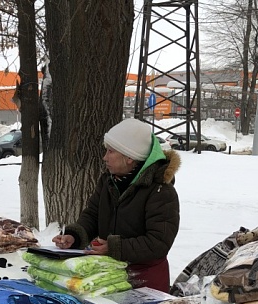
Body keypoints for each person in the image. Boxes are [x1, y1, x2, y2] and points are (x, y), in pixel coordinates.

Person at [53, 118, 180, 292]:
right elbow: (92, 215)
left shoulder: (160, 191)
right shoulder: (108, 181)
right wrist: (74, 235)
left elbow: (158, 242)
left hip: (145, 281)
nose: (105, 157)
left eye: (110, 152)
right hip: (109, 274)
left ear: (129, 157)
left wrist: (115, 247)